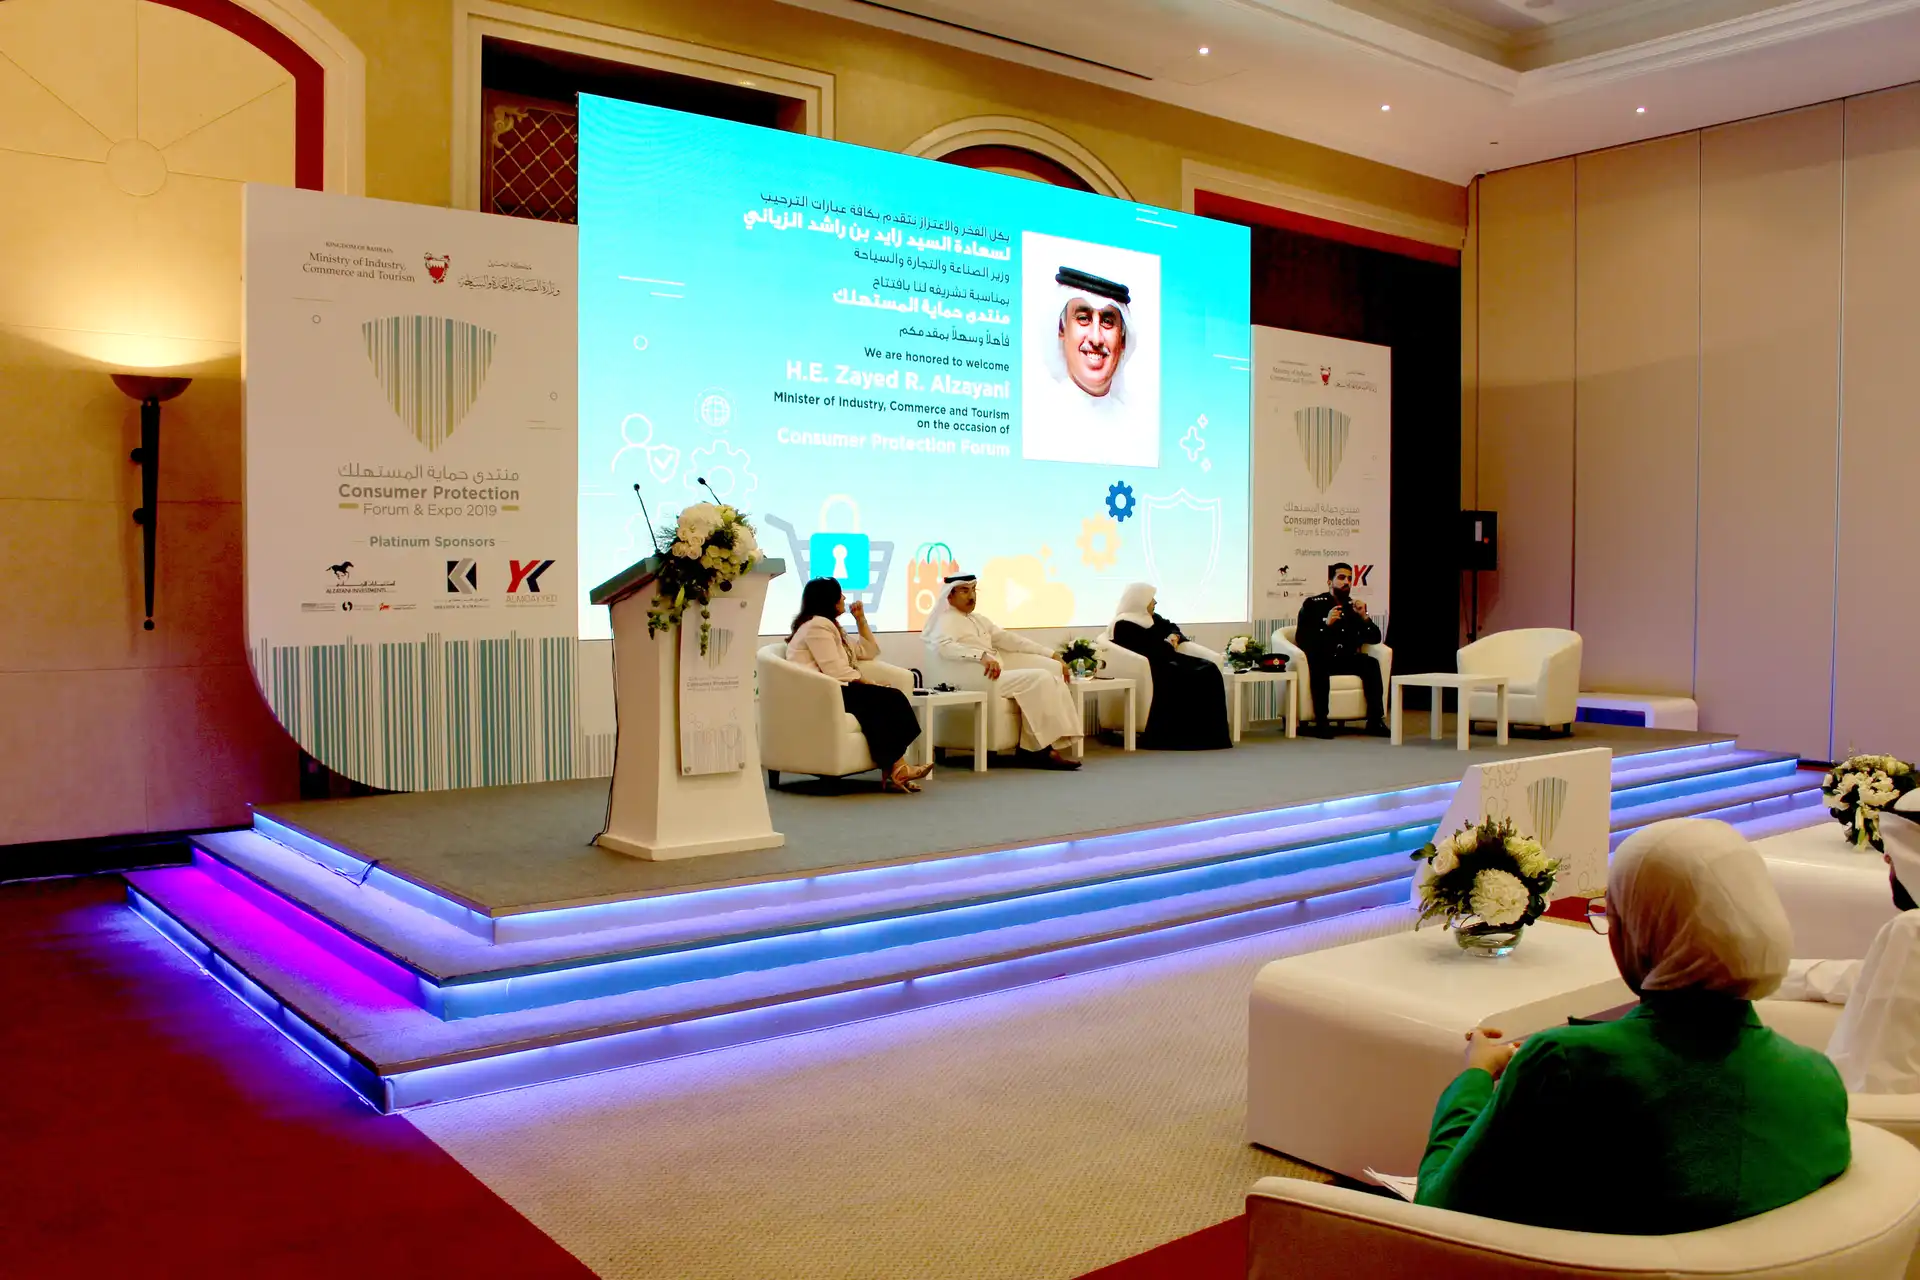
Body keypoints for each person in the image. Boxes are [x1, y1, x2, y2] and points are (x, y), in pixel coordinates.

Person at [1415, 818, 1850, 1234]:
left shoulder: (1562, 1063)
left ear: (1641, 931)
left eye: (1613, 916)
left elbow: (1437, 1210)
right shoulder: (1819, 1080)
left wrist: (1475, 1076)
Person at [1772, 796, 1920, 1093]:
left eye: (1895, 848)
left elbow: (1887, 1080)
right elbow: (1860, 977)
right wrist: (1759, 976)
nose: (1886, 859)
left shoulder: (1912, 931)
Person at [787, 577, 934, 794]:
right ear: (829, 600)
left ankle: (896, 767)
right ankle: (898, 767)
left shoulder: (831, 626)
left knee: (884, 703)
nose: (844, 598)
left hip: (837, 688)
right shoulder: (817, 626)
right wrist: (869, 683)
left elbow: (868, 651)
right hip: (822, 692)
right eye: (840, 595)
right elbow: (835, 670)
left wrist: (861, 620)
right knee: (890, 698)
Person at [923, 574, 1081, 770]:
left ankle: (1035, 748)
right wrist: (980, 656)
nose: (971, 596)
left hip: (997, 677)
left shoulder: (979, 620)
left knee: (1051, 676)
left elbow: (1011, 640)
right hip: (977, 679)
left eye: (973, 590)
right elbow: (944, 647)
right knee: (1041, 678)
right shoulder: (945, 621)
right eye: (964, 591)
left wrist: (1051, 654)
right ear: (949, 595)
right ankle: (1039, 752)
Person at [1022, 266, 1155, 468]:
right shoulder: (1036, 423)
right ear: (1062, 329)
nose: (1096, 338)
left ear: (1122, 340)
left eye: (1107, 322)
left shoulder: (1142, 433)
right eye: (1083, 319)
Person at [1106, 583, 1230, 750]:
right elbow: (1147, 646)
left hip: (1169, 659)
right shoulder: (1123, 624)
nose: (1155, 602)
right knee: (1191, 676)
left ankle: (1209, 735)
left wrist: (1174, 635)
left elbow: (1171, 627)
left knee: (1210, 669)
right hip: (1151, 666)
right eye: (1151, 599)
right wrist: (1165, 640)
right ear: (1140, 601)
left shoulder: (1152, 618)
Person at [1293, 562, 1386, 739]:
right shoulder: (1313, 605)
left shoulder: (1352, 607)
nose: (1347, 582)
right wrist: (1326, 625)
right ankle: (1321, 722)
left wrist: (1364, 617)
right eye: (1342, 578)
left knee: (1371, 663)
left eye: (1350, 579)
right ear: (1330, 582)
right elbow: (1302, 638)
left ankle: (1375, 721)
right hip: (1323, 657)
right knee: (1319, 664)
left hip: (1345, 659)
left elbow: (1375, 638)